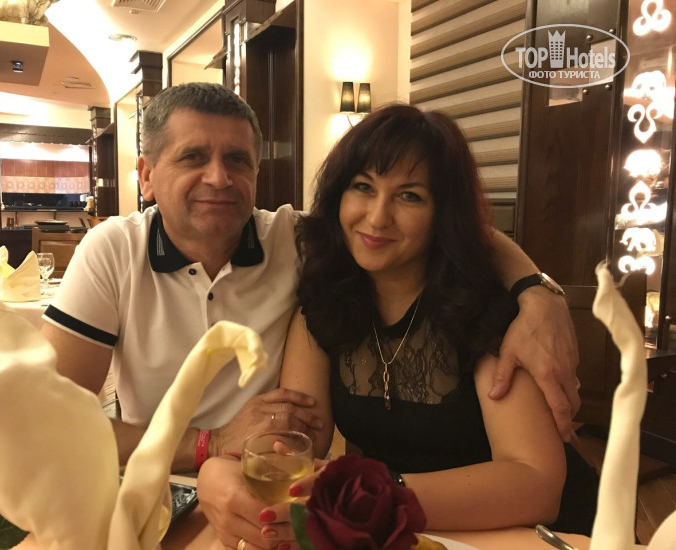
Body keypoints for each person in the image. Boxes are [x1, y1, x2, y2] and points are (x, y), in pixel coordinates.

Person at [197, 105, 597, 549]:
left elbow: (535, 484)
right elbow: (298, 439)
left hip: (539, 536)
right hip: (406, 533)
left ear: (443, 212)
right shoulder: (325, 304)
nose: (377, 217)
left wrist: (379, 493)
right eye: (363, 187)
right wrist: (226, 469)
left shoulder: (486, 308)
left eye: (409, 196)